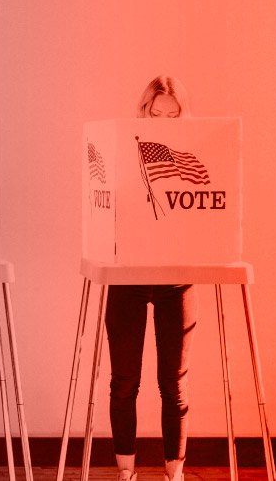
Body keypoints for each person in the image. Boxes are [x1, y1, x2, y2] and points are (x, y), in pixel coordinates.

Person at [107, 75, 197, 481]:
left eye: (172, 115)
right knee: (125, 382)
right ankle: (126, 473)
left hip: (177, 276)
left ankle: (173, 474)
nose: (162, 121)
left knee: (173, 385)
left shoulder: (197, 153)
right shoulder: (121, 151)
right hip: (128, 275)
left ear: (183, 115)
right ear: (143, 111)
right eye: (155, 113)